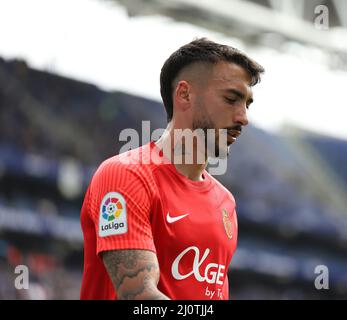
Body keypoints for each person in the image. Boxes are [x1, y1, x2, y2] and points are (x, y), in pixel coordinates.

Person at [80, 38, 264, 300]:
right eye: (231, 99)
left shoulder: (225, 203)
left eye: (247, 104)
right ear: (185, 94)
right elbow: (139, 298)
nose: (243, 117)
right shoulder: (127, 175)